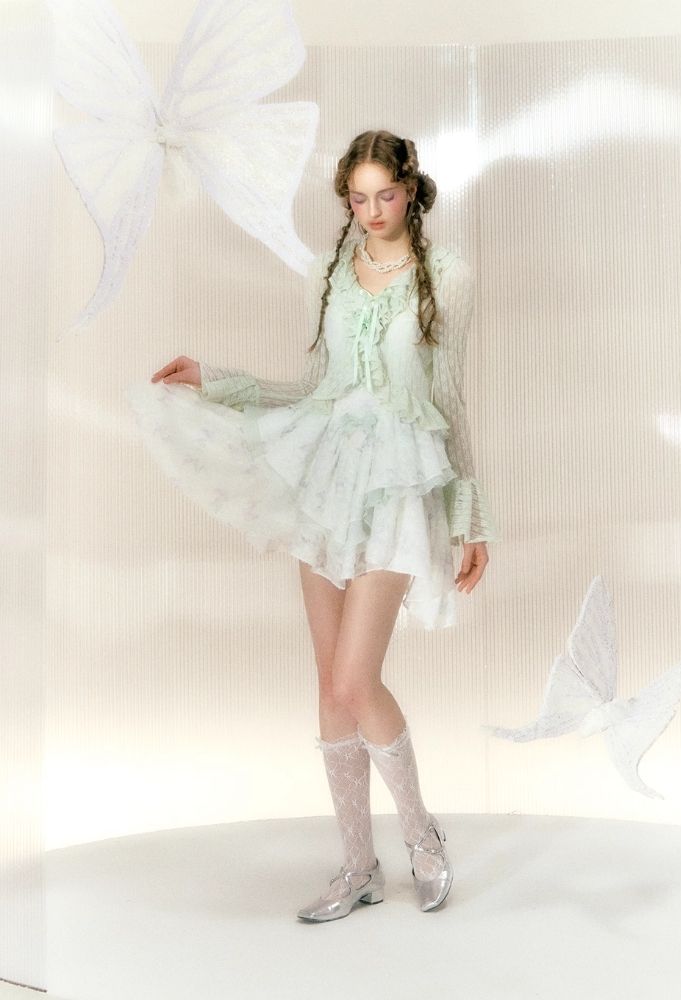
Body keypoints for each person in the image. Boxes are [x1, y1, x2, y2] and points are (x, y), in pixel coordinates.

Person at [126, 129, 500, 921]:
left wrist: (470, 517)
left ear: (410, 191)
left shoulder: (446, 275)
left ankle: (423, 837)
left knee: (354, 680)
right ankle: (358, 867)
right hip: (327, 478)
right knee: (329, 687)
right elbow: (312, 389)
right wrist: (216, 380)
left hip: (398, 485)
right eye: (358, 199)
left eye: (385, 195)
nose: (373, 212)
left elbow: (450, 397)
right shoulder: (327, 273)